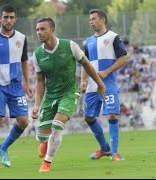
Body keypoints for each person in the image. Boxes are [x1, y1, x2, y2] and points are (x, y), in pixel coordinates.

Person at [31, 17, 106, 172]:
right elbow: (39, 81)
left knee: (57, 125)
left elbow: (86, 64)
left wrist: (100, 84)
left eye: (43, 29)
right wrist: (37, 104)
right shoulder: (37, 54)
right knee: (42, 136)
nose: (39, 32)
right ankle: (44, 141)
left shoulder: (70, 46)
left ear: (52, 30)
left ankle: (47, 163)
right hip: (50, 97)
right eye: (37, 29)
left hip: (69, 93)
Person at [0, 4, 33, 170]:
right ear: (0, 18)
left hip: (16, 86)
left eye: (11, 17)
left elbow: (24, 62)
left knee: (24, 121)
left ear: (15, 19)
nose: (8, 20)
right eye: (5, 17)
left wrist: (27, 83)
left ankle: (2, 148)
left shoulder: (22, 38)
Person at [80, 9, 128, 161]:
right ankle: (105, 149)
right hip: (92, 86)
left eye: (93, 18)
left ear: (102, 19)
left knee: (112, 115)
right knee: (88, 118)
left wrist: (107, 72)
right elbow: (84, 63)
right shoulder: (88, 41)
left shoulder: (113, 37)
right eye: (90, 19)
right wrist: (82, 80)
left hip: (108, 84)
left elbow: (123, 58)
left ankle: (114, 153)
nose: (91, 21)